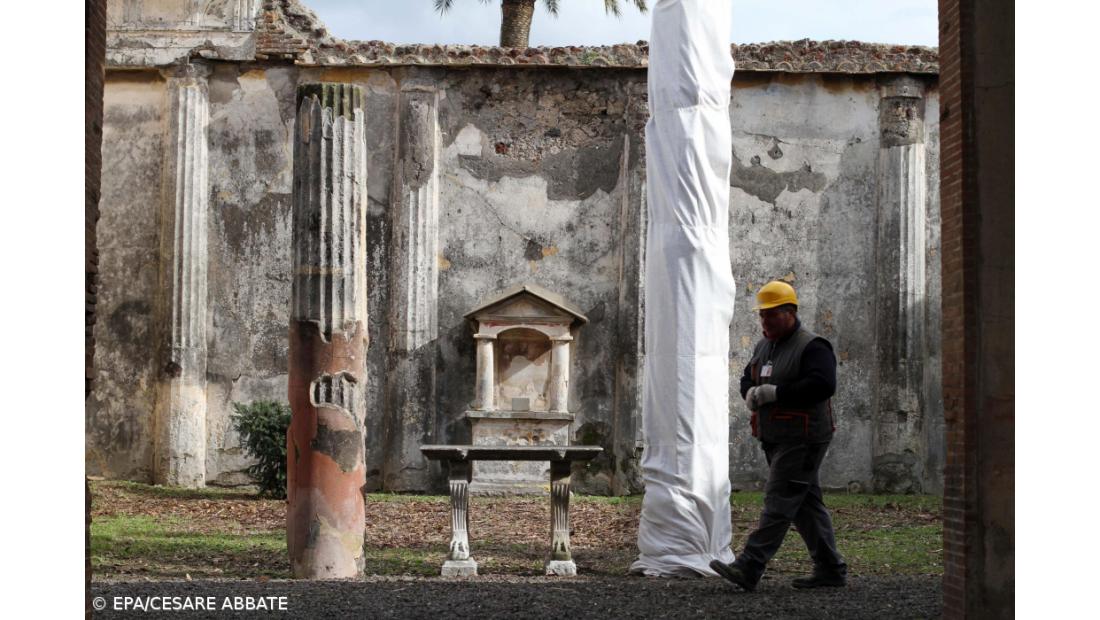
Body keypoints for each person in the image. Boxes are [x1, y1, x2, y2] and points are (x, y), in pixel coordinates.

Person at [710, 281, 847, 591]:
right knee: (805, 505)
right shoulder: (764, 346)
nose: (765, 322)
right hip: (776, 437)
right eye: (762, 316)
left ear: (790, 312)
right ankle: (830, 570)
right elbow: (748, 376)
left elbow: (823, 385)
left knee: (780, 499)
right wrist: (751, 393)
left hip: (805, 438)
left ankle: (750, 565)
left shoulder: (813, 346)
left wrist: (776, 393)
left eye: (771, 315)